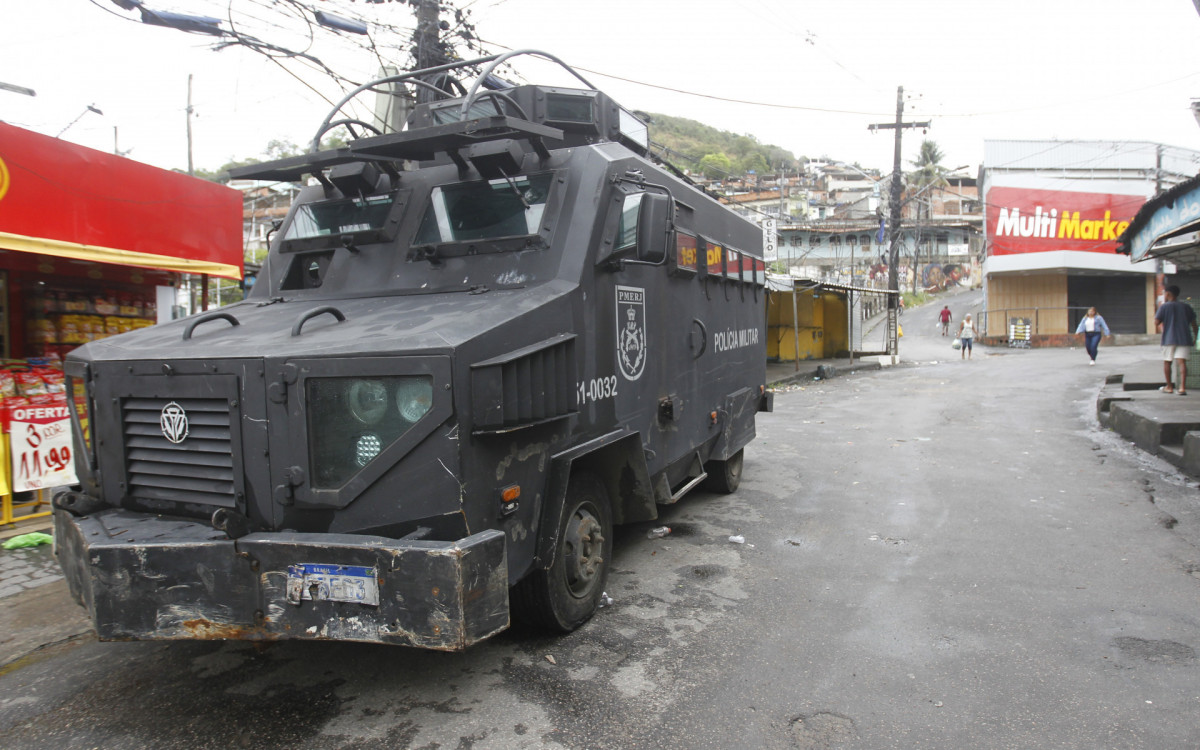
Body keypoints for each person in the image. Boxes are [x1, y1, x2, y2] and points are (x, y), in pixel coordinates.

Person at [1154, 285, 1198, 395]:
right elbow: (1194, 324)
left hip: (1169, 339)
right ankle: (1182, 388)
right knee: (1182, 362)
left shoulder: (1164, 307)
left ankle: (1169, 387)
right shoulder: (1186, 307)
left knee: (1167, 362)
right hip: (1184, 338)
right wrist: (1195, 337)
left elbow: (1156, 322)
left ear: (1168, 294)